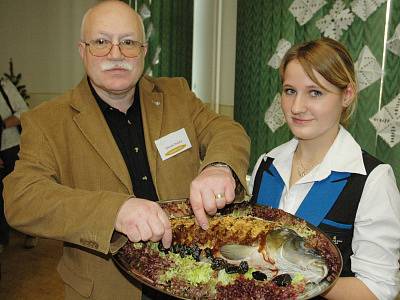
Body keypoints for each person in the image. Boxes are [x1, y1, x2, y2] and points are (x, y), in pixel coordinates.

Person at [3, 1, 250, 299]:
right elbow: (22, 197)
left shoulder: (176, 95)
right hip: (106, 288)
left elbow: (226, 131)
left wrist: (219, 166)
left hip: (191, 278)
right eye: (102, 42)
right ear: (82, 50)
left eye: (128, 42)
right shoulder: (47, 120)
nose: (116, 54)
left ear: (143, 52)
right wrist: (114, 212)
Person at [249, 38, 400, 299]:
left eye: (315, 92)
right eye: (289, 91)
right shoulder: (267, 165)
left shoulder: (371, 180)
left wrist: (300, 278)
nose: (296, 107)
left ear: (347, 95)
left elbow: (378, 291)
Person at [0, 77, 38, 252]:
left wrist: (2, 124)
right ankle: (2, 237)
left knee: (19, 192)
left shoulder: (4, 85)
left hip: (10, 147)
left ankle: (31, 231)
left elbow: (24, 111)